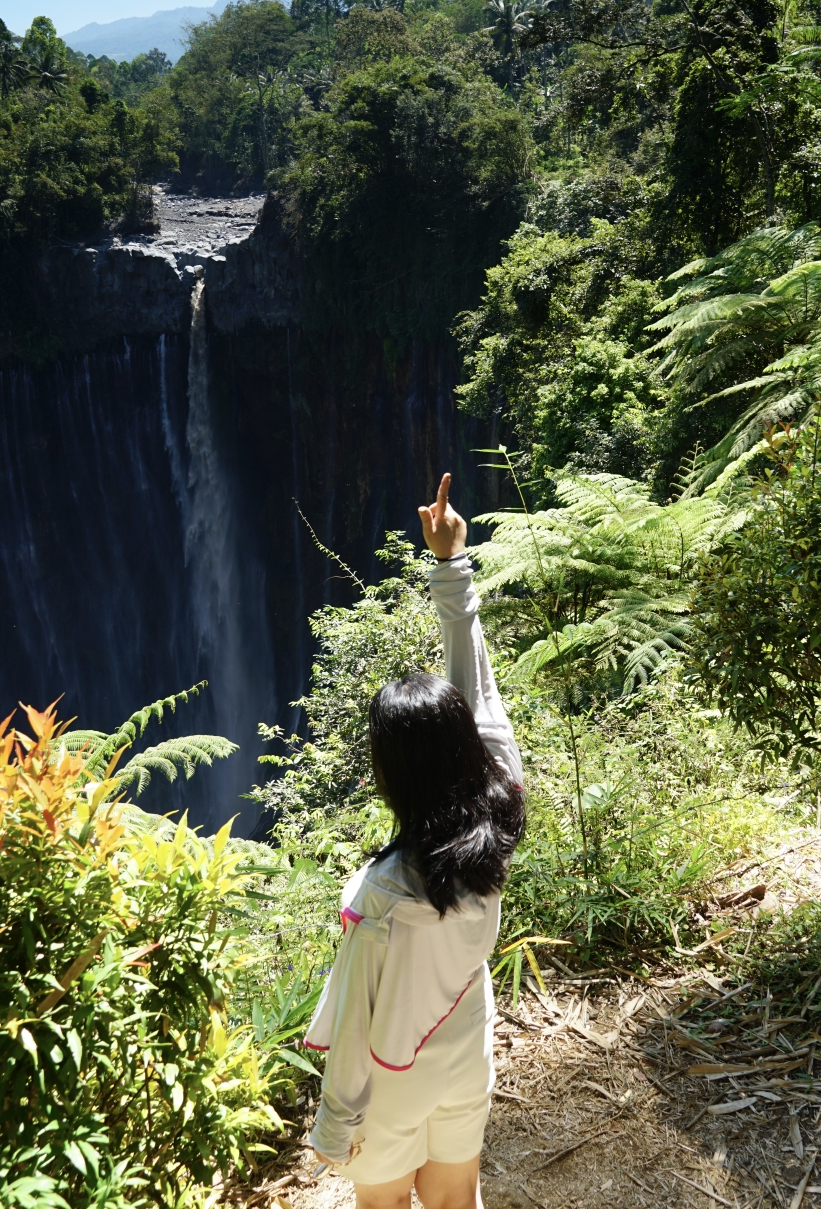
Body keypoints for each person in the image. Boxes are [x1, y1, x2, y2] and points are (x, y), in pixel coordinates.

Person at [304, 473, 525, 1209]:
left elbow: (357, 1019)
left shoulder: (381, 895)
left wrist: (335, 1126)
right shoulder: (501, 813)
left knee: (386, 1205)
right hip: (466, 1052)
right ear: (466, 747)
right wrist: (452, 565)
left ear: (389, 773)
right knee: (458, 1199)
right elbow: (480, 698)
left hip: (395, 1079)